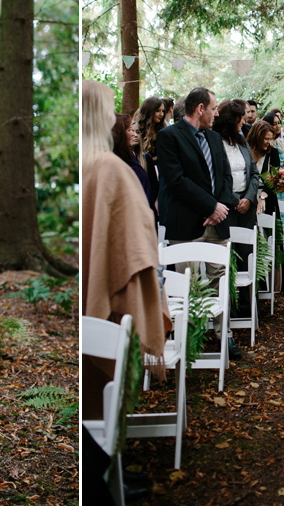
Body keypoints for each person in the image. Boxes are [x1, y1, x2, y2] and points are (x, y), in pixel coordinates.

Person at [81, 81, 170, 370]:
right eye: (109, 109)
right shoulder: (109, 168)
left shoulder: (91, 164)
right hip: (108, 298)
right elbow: (135, 243)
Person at [156, 87, 243, 358]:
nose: (218, 113)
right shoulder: (169, 136)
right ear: (200, 108)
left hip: (217, 222)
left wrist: (221, 208)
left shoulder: (215, 138)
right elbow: (176, 180)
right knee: (187, 280)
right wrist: (210, 206)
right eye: (214, 108)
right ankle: (189, 339)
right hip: (186, 223)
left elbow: (225, 176)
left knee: (220, 277)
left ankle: (223, 334)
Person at [212, 100, 259, 315]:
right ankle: (227, 307)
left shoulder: (242, 143)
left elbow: (255, 174)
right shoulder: (215, 142)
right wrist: (233, 200)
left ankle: (247, 307)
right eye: (240, 120)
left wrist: (248, 198)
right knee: (227, 257)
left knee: (246, 253)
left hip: (247, 207)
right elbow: (216, 178)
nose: (244, 123)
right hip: (226, 207)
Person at [133, 97, 167, 218]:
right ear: (150, 110)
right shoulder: (138, 130)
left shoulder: (163, 131)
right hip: (145, 171)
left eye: (163, 111)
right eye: (158, 110)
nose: (161, 114)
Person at [112, 113, 152, 212]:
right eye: (130, 130)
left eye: (137, 132)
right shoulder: (114, 164)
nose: (135, 134)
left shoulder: (136, 158)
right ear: (119, 133)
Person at [248, 120, 282, 218]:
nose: (269, 142)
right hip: (249, 197)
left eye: (271, 139)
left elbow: (274, 178)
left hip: (267, 197)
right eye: (266, 138)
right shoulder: (246, 151)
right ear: (257, 137)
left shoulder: (273, 153)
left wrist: (263, 196)